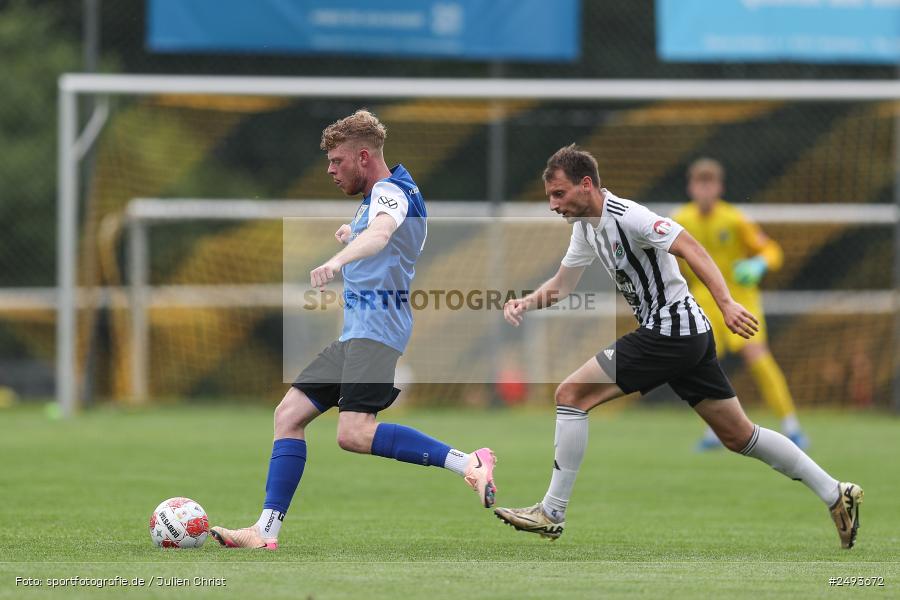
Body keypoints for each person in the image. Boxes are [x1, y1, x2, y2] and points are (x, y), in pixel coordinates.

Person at [493, 144, 862, 549]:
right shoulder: (585, 228)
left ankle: (552, 512)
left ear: (586, 185)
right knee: (739, 436)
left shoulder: (628, 216)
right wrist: (526, 302)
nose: (553, 205)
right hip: (688, 335)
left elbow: (691, 248)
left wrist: (727, 303)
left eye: (559, 194)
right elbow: (563, 285)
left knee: (571, 395)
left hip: (672, 330)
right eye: (550, 196)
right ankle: (835, 492)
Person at [211, 110, 497, 550]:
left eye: (336, 160)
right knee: (288, 416)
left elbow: (381, 235)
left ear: (363, 157)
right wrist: (352, 233)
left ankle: (468, 462)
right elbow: (381, 236)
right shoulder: (384, 194)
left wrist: (336, 260)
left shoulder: (390, 191)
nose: (330, 170)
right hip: (357, 333)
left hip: (377, 332)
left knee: (354, 433)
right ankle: (265, 532)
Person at [673, 158, 808, 451]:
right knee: (703, 363)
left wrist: (758, 264)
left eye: (709, 184)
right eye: (699, 184)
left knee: (757, 356)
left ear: (719, 187)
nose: (704, 190)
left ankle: (791, 426)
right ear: (691, 187)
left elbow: (771, 250)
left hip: (739, 297)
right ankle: (713, 431)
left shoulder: (734, 219)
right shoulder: (681, 219)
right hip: (702, 299)